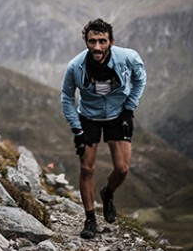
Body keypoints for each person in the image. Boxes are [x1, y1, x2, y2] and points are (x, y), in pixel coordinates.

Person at [61, 18, 147, 239]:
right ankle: (90, 219)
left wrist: (129, 108)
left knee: (122, 169)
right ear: (86, 42)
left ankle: (107, 194)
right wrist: (77, 130)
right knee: (87, 168)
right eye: (92, 41)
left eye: (102, 41)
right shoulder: (75, 67)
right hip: (88, 117)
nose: (97, 47)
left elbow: (140, 79)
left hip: (118, 114)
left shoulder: (128, 58)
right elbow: (66, 98)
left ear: (111, 41)